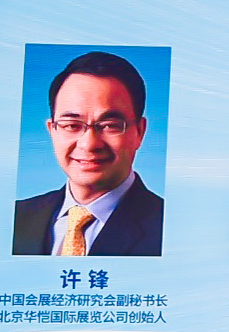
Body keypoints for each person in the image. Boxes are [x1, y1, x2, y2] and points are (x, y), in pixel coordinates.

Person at [13, 52, 165, 256]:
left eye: (110, 125)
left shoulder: (170, 227)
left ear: (139, 132)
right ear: (52, 130)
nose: (89, 144)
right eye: (72, 125)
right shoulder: (15, 218)